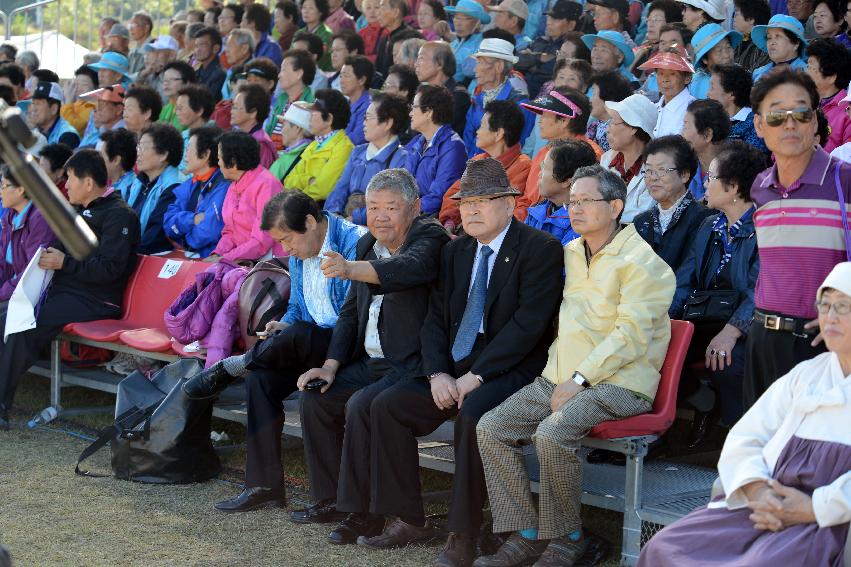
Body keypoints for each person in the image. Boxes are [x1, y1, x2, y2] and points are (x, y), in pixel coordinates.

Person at [352, 158, 563, 567]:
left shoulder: (540, 249)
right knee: (386, 405)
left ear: (509, 204)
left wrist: (476, 377)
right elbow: (433, 319)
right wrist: (438, 373)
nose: (472, 211)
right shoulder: (456, 251)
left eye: (484, 201)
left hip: (511, 367)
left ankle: (463, 532)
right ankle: (410, 519)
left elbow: (527, 328)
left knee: (473, 416)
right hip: (454, 366)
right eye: (466, 203)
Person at [474, 164, 675, 567]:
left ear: (616, 206)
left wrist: (580, 380)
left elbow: (631, 336)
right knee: (491, 428)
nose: (575, 209)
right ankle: (527, 533)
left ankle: (568, 538)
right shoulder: (571, 250)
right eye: (572, 201)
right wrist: (564, 378)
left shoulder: (644, 264)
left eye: (586, 201)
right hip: (562, 376)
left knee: (551, 433)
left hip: (620, 383)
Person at [639, 261, 851, 567]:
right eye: (825, 305)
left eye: (842, 306)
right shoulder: (805, 375)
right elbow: (747, 437)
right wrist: (758, 490)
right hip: (762, 504)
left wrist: (816, 507)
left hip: (826, 518)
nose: (829, 317)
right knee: (666, 547)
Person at [292, 168, 449, 541]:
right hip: (371, 363)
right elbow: (350, 311)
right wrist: (330, 365)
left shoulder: (430, 237)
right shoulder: (367, 245)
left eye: (391, 208)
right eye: (373, 207)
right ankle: (333, 501)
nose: (379, 216)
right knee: (317, 396)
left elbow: (410, 268)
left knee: (362, 405)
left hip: (413, 366)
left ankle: (365, 515)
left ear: (413, 207)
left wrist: (350, 268)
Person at [183, 191, 365, 509]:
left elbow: (353, 318)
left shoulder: (353, 243)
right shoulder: (298, 254)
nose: (285, 249)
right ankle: (263, 485)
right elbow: (297, 307)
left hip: (349, 347)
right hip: (311, 344)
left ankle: (234, 366)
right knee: (260, 379)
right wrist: (282, 327)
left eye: (287, 239)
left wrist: (293, 333)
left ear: (309, 222)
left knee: (298, 336)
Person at [0, 150, 139, 429]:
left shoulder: (119, 216)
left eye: (71, 179)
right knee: (6, 315)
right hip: (66, 293)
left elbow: (110, 269)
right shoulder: (75, 212)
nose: (66, 185)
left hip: (98, 300)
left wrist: (66, 263)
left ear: (88, 183)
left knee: (21, 323)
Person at [743, 69, 851, 408]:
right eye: (776, 115)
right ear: (759, 126)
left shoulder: (844, 181)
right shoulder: (760, 186)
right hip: (762, 337)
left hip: (821, 341)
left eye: (801, 113)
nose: (789, 124)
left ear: (815, 122)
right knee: (763, 454)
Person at [670, 140, 765, 448]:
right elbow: (685, 278)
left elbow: (758, 289)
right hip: (705, 317)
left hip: (746, 327)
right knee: (654, 347)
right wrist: (663, 320)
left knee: (728, 360)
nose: (705, 184)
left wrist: (732, 331)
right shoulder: (709, 225)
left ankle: (740, 441)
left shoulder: (763, 227)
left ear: (734, 186)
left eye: (711, 177)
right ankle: (704, 404)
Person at [440, 100, 532, 230]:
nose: (476, 132)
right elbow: (453, 195)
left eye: (482, 126)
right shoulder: (478, 160)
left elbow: (509, 211)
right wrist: (450, 222)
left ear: (498, 133)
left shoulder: (523, 166)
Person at [325, 92, 409, 224]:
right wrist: (332, 214)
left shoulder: (402, 159)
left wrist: (355, 218)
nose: (364, 124)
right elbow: (341, 188)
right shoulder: (358, 152)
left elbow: (389, 203)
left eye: (368, 118)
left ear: (387, 123)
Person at [633, 135, 714, 274]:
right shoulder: (641, 222)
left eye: (662, 170)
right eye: (648, 170)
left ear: (684, 175)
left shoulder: (703, 219)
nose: (653, 177)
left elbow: (691, 275)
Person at [519, 88, 600, 221]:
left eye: (544, 115)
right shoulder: (544, 151)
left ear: (564, 121)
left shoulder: (591, 155)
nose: (539, 120)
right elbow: (527, 200)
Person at [209, 131, 283, 262]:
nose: (218, 162)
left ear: (232, 162)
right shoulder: (234, 184)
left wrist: (225, 259)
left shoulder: (267, 185)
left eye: (220, 157)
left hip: (269, 262)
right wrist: (217, 254)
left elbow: (262, 240)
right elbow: (230, 231)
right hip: (242, 259)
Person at [164, 125, 230, 258]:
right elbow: (168, 223)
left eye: (189, 149)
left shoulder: (223, 186)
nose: (185, 155)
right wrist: (192, 219)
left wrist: (183, 240)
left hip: (207, 260)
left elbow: (209, 231)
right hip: (189, 257)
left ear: (205, 155)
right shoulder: (190, 185)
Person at [463, 38, 533, 158]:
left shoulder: (519, 104)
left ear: (499, 67)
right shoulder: (478, 97)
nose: (475, 69)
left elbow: (518, 148)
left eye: (480, 62)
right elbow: (468, 138)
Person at [406, 84, 468, 216]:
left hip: (428, 220)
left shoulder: (453, 147)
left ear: (428, 112)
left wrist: (403, 212)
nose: (410, 113)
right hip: (409, 214)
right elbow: (399, 185)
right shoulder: (416, 142)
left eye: (414, 107)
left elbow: (438, 197)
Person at [524, 139, 598, 245]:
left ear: (567, 180)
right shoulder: (538, 210)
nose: (539, 174)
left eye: (545, 168)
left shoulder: (579, 223)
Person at [284, 90, 355, 201]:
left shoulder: (344, 148)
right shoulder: (314, 144)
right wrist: (309, 180)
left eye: (313, 115)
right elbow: (288, 181)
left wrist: (297, 194)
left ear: (329, 119)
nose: (308, 119)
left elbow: (322, 190)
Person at [0, 165, 55, 302]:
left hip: (32, 296)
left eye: (3, 185)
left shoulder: (40, 219)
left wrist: (1, 293)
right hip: (12, 290)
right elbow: (2, 261)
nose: (0, 191)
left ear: (20, 190)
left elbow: (32, 273)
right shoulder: (10, 215)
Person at [127, 123, 184, 254]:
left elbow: (154, 238)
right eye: (138, 147)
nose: (138, 153)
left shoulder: (174, 187)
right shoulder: (139, 182)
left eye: (144, 148)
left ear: (163, 154)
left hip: (151, 257)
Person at [600, 93, 658, 222]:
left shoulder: (655, 170)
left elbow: (638, 216)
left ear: (633, 128)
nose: (607, 130)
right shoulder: (607, 160)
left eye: (613, 122)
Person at [516, 0, 583, 99]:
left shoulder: (570, 47)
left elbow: (551, 72)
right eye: (548, 18)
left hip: (545, 99)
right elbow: (516, 60)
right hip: (524, 94)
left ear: (571, 25)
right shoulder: (540, 41)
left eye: (555, 19)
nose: (549, 23)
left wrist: (530, 60)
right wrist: (539, 57)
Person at [707, 63, 769, 153]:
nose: (707, 94)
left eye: (712, 88)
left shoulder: (755, 125)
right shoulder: (713, 121)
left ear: (731, 94)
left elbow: (753, 161)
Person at [414, 41, 471, 137]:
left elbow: (438, 133)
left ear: (440, 64)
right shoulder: (422, 92)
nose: (416, 64)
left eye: (421, 59)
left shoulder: (458, 96)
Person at [639, 47, 696, 138]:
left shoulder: (693, 110)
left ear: (687, 78)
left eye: (672, 74)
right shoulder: (653, 107)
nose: (665, 80)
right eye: (661, 74)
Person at [806, 37, 851, 152]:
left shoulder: (847, 112)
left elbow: (846, 159)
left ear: (831, 77)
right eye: (807, 67)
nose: (806, 73)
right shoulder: (804, 104)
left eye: (812, 69)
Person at [266, 49, 317, 150]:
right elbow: (268, 132)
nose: (279, 75)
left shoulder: (312, 102)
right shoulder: (281, 99)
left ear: (299, 74)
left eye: (283, 70)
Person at [681, 98, 731, 198]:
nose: (682, 133)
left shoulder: (733, 170)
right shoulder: (684, 164)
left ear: (707, 134)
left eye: (686, 127)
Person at [689, 23, 741, 100]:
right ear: (705, 59)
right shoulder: (695, 83)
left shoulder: (743, 78)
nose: (726, 55)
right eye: (719, 51)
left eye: (728, 47)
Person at [231, 84, 277, 169]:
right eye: (233, 106)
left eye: (236, 107)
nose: (231, 111)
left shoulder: (261, 146)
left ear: (253, 113)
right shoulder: (238, 134)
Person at [587, 69, 634, 153]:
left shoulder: (620, 131)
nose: (590, 100)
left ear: (609, 97)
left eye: (594, 94)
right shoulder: (594, 125)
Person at [751, 15, 809, 81]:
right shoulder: (758, 73)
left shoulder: (806, 74)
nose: (772, 42)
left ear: (796, 43)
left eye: (778, 36)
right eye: (769, 38)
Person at [444, 0, 488, 84]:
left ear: (477, 22)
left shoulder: (483, 45)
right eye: (456, 17)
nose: (458, 23)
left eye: (465, 18)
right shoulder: (452, 44)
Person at [269, 104, 315, 181]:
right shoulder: (308, 153)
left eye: (283, 125)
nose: (281, 131)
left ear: (297, 128)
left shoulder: (295, 158)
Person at [28, 82, 80, 149]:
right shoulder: (35, 131)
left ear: (54, 109)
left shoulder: (68, 135)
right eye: (33, 103)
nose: (33, 109)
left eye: (38, 103)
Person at [78, 84, 126, 149]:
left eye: (103, 104)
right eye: (98, 103)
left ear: (119, 109)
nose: (98, 108)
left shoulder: (123, 137)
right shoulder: (104, 130)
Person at [340, 55, 374, 146]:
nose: (341, 81)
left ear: (362, 80)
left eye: (346, 76)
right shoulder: (343, 104)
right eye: (341, 76)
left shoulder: (369, 107)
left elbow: (355, 140)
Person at [732, 0, 771, 72]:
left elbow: (754, 78)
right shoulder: (738, 42)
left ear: (751, 19)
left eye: (737, 14)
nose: (733, 18)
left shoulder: (764, 47)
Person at [98, 128, 137, 200]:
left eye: (102, 157)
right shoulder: (113, 184)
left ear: (116, 160)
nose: (98, 161)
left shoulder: (129, 191)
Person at [295, 0, 334, 72]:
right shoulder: (298, 33)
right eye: (304, 7)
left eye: (310, 8)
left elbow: (320, 61)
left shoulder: (327, 34)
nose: (306, 11)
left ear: (320, 11)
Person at [158, 61, 197, 131]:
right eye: (164, 80)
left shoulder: (193, 108)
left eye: (172, 79)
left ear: (187, 83)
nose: (166, 83)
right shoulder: (166, 108)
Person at [192, 27, 227, 102]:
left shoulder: (220, 74)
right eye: (196, 46)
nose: (197, 49)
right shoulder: (196, 73)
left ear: (216, 48)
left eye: (202, 45)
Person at [221, 29, 256, 101]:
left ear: (244, 49)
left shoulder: (252, 73)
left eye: (230, 46)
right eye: (226, 46)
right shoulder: (231, 70)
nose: (226, 50)